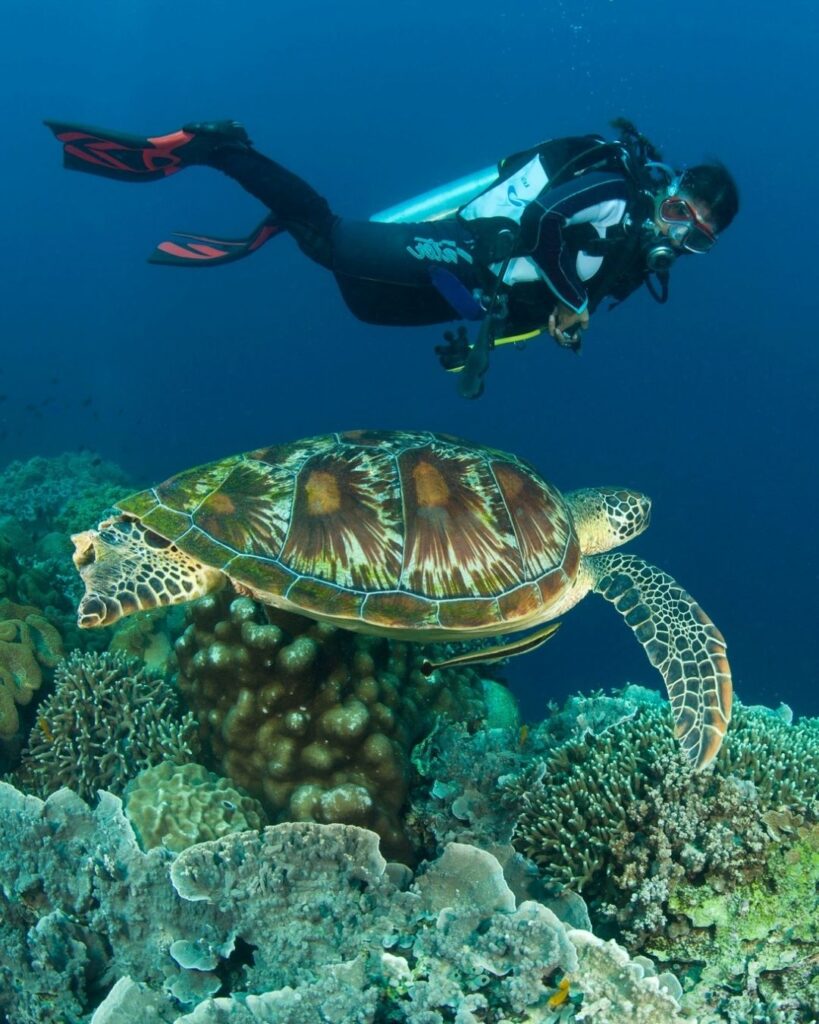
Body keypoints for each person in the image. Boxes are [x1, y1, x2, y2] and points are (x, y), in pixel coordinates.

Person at [45, 117, 739, 397]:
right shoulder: (616, 186)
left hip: (480, 290)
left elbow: (541, 302)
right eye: (680, 211)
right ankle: (220, 147)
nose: (678, 233)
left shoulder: (634, 261)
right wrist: (571, 302)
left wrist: (486, 345)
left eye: (698, 235)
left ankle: (285, 219)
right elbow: (547, 221)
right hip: (474, 247)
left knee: (364, 304)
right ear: (666, 189)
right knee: (333, 242)